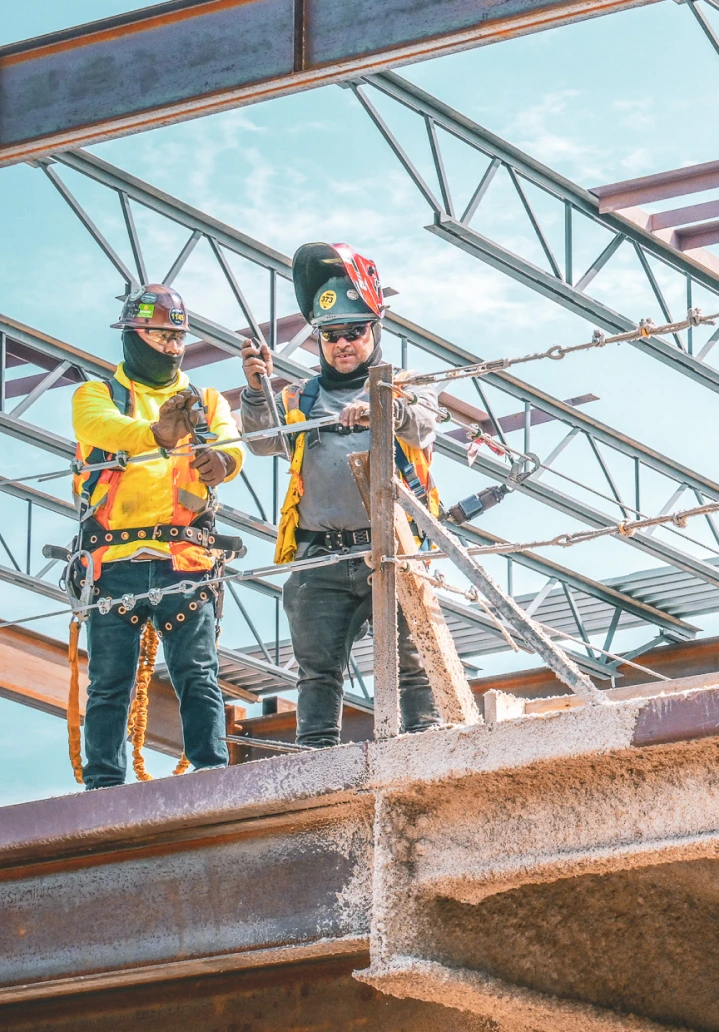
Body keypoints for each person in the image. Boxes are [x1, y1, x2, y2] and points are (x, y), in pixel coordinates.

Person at [238, 243, 443, 747]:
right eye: (330, 335)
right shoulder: (298, 397)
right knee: (317, 669)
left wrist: (383, 409)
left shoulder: (406, 385)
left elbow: (422, 425)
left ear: (375, 330)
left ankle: (426, 742)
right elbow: (263, 441)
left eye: (354, 331)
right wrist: (256, 390)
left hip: (390, 550)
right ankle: (316, 757)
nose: (342, 343)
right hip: (321, 558)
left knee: (413, 657)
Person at [70, 284, 243, 788]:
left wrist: (223, 461)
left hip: (184, 557)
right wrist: (158, 435)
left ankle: (211, 776)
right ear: (133, 336)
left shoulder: (205, 401)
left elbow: (234, 444)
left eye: (177, 337)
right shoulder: (98, 396)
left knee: (197, 673)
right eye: (160, 335)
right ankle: (103, 786)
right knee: (109, 683)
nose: (171, 346)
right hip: (114, 560)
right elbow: (105, 429)